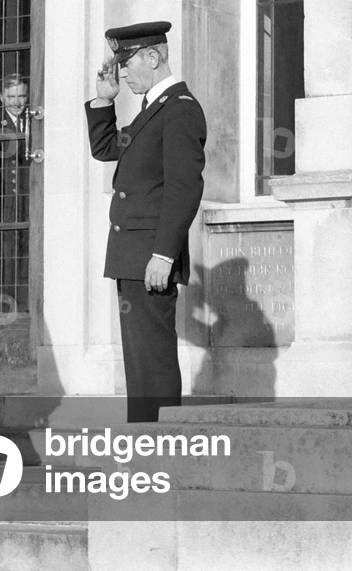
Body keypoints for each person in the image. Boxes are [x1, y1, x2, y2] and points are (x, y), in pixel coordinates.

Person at [84, 21, 206, 423]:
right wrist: (105, 101)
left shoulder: (180, 110)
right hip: (133, 255)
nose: (121, 73)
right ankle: (147, 445)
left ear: (152, 57)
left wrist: (163, 254)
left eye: (126, 64)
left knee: (151, 358)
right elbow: (106, 148)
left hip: (150, 256)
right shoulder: (150, 112)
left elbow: (183, 189)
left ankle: (161, 448)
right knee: (140, 360)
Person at [0, 74, 31, 313]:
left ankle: (26, 301)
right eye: (12, 96)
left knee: (29, 247)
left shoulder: (35, 120)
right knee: (7, 249)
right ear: (2, 97)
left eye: (22, 96)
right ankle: (7, 304)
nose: (17, 102)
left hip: (30, 197)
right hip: (5, 197)